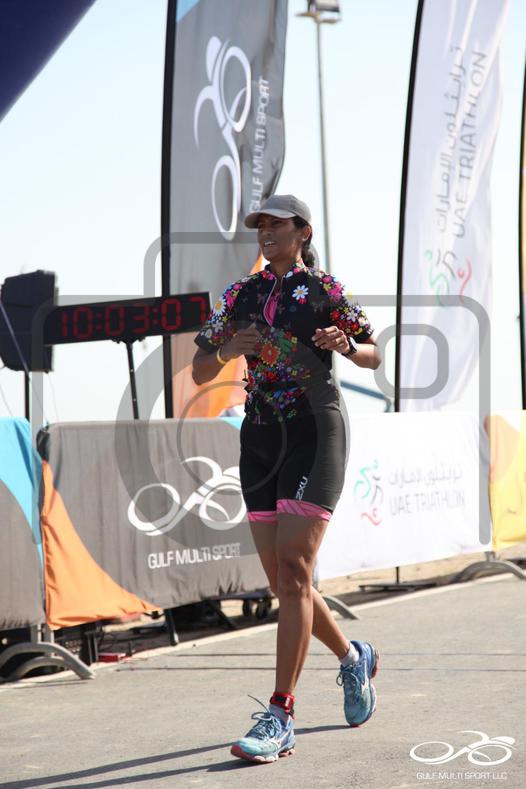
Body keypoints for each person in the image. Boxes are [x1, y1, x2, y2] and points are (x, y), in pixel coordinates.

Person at [192, 194, 382, 764]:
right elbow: (200, 367)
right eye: (261, 225)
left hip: (315, 431)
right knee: (284, 581)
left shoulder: (323, 289)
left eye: (277, 224)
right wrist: (227, 349)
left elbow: (373, 354)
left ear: (303, 232)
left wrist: (347, 345)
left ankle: (280, 715)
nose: (266, 232)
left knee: (296, 569)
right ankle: (353, 658)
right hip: (260, 438)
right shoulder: (240, 294)